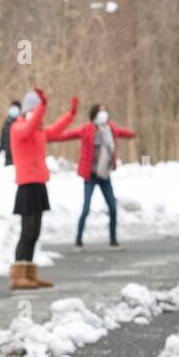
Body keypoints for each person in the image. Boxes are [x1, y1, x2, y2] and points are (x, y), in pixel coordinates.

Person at [8, 88, 76, 290]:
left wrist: (70, 115)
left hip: (39, 184)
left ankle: (30, 273)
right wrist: (43, 106)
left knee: (35, 231)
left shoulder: (38, 131)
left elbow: (55, 130)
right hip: (26, 186)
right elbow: (28, 128)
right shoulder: (18, 127)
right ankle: (18, 275)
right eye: (36, 108)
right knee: (27, 231)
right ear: (31, 109)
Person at [53, 103, 136, 249]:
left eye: (105, 111)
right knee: (86, 208)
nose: (104, 114)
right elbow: (70, 135)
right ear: (94, 114)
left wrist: (133, 134)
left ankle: (113, 240)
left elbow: (122, 133)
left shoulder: (111, 128)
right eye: (100, 112)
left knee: (112, 207)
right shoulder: (87, 129)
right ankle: (78, 240)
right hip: (90, 175)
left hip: (104, 174)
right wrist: (53, 137)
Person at [0, 100, 20, 166]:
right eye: (13, 107)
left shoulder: (21, 123)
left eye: (16, 108)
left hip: (18, 156)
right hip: (7, 155)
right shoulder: (7, 122)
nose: (14, 110)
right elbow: (2, 137)